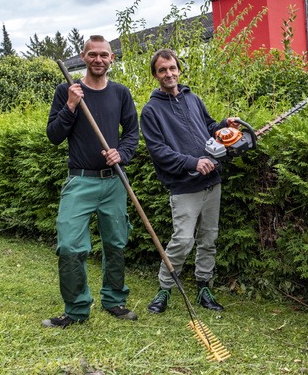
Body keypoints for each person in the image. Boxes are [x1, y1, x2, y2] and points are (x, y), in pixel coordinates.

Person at [43, 35, 139, 328]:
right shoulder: (67, 90)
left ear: (112, 59)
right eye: (93, 54)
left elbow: (132, 134)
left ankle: (114, 300)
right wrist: (71, 106)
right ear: (83, 57)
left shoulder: (121, 93)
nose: (99, 59)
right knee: (71, 246)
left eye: (104, 55)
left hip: (113, 182)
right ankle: (76, 309)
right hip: (80, 180)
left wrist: (120, 153)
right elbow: (54, 136)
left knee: (116, 243)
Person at [140, 48, 239, 314]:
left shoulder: (192, 98)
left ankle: (204, 286)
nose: (168, 74)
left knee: (209, 238)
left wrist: (224, 126)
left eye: (172, 68)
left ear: (179, 70)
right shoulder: (151, 111)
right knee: (183, 240)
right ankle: (164, 289)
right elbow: (159, 151)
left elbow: (207, 129)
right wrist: (192, 162)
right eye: (162, 70)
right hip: (184, 186)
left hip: (212, 181)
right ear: (155, 75)